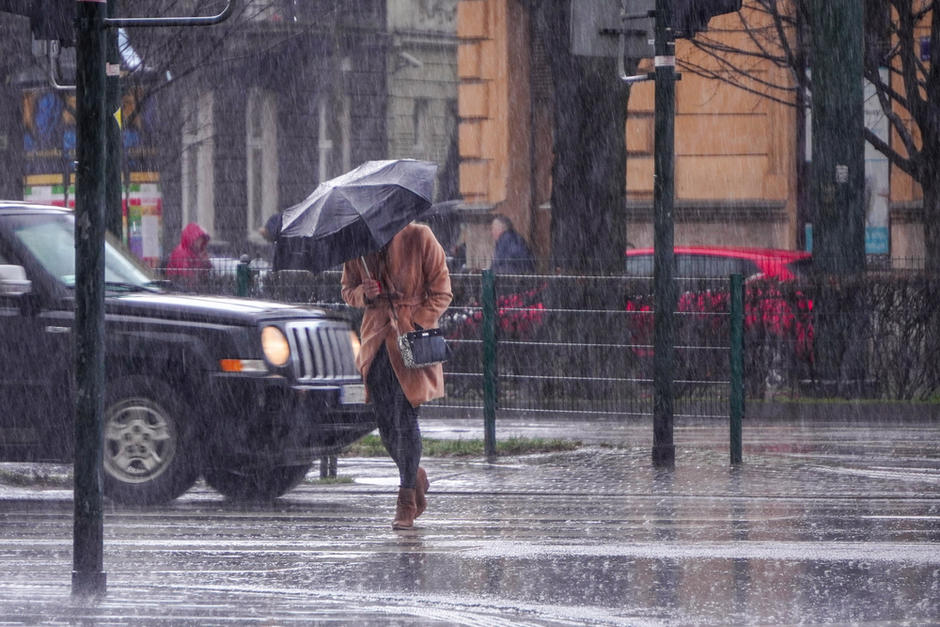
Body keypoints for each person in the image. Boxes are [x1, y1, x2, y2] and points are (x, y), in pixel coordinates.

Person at [341, 222, 453, 530]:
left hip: (410, 344)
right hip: (375, 343)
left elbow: (442, 291)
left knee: (405, 418)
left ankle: (405, 499)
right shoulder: (357, 245)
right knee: (386, 424)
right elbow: (347, 290)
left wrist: (415, 320)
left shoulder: (420, 236)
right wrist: (364, 293)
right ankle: (414, 474)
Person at [166, 222, 212, 288]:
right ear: (192, 239)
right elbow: (187, 276)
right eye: (198, 239)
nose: (201, 242)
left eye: (202, 239)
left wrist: (205, 262)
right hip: (179, 288)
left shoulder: (196, 252)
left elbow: (204, 273)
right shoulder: (181, 253)